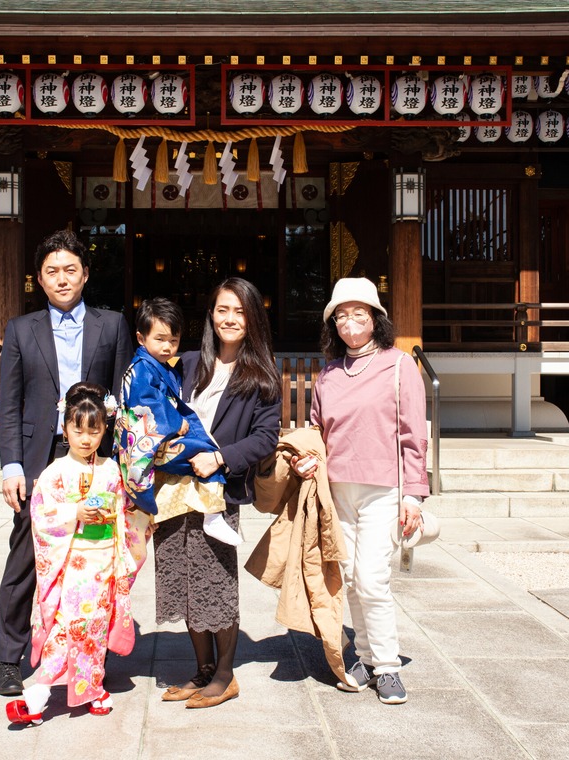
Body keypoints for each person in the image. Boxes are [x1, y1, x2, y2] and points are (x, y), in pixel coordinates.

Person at [0, 229, 134, 698]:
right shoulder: (20, 329)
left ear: (85, 274)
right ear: (39, 279)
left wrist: (120, 465)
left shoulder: (111, 325)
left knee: (95, 556)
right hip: (40, 458)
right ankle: (10, 657)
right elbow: (9, 403)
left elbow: (123, 395)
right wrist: (10, 465)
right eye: (52, 271)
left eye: (70, 269)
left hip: (95, 456)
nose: (61, 278)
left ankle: (91, 653)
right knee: (25, 558)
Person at [296, 276, 430, 705]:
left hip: (383, 489)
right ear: (332, 324)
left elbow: (414, 434)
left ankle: (388, 666)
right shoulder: (329, 374)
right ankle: (368, 657)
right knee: (350, 579)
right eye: (341, 315)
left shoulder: (399, 365)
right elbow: (319, 431)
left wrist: (414, 493)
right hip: (337, 491)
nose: (349, 322)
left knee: (373, 579)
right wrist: (307, 459)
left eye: (359, 313)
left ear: (376, 319)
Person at [153, 277, 281, 709]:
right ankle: (202, 669)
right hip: (174, 490)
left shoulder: (262, 374)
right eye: (222, 309)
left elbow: (266, 437)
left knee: (215, 583)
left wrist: (222, 457)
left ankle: (225, 675)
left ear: (252, 318)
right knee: (184, 581)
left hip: (217, 493)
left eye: (239, 311)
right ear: (211, 314)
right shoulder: (187, 363)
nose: (230, 318)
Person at [5, 382, 152, 725]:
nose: (86, 438)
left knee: (96, 627)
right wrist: (75, 514)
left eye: (94, 430)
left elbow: (124, 508)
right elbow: (41, 516)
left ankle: (92, 687)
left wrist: (140, 519)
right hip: (72, 562)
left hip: (105, 561)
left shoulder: (111, 469)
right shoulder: (54, 473)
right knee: (68, 625)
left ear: (105, 429)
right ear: (65, 428)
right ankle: (40, 692)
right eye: (78, 429)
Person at [116, 297, 242, 546]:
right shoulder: (142, 368)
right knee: (205, 452)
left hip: (158, 439)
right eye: (160, 339)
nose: (167, 347)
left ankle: (209, 514)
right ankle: (213, 515)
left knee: (205, 451)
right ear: (141, 338)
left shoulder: (159, 365)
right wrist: (175, 422)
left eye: (173, 341)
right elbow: (147, 404)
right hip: (148, 442)